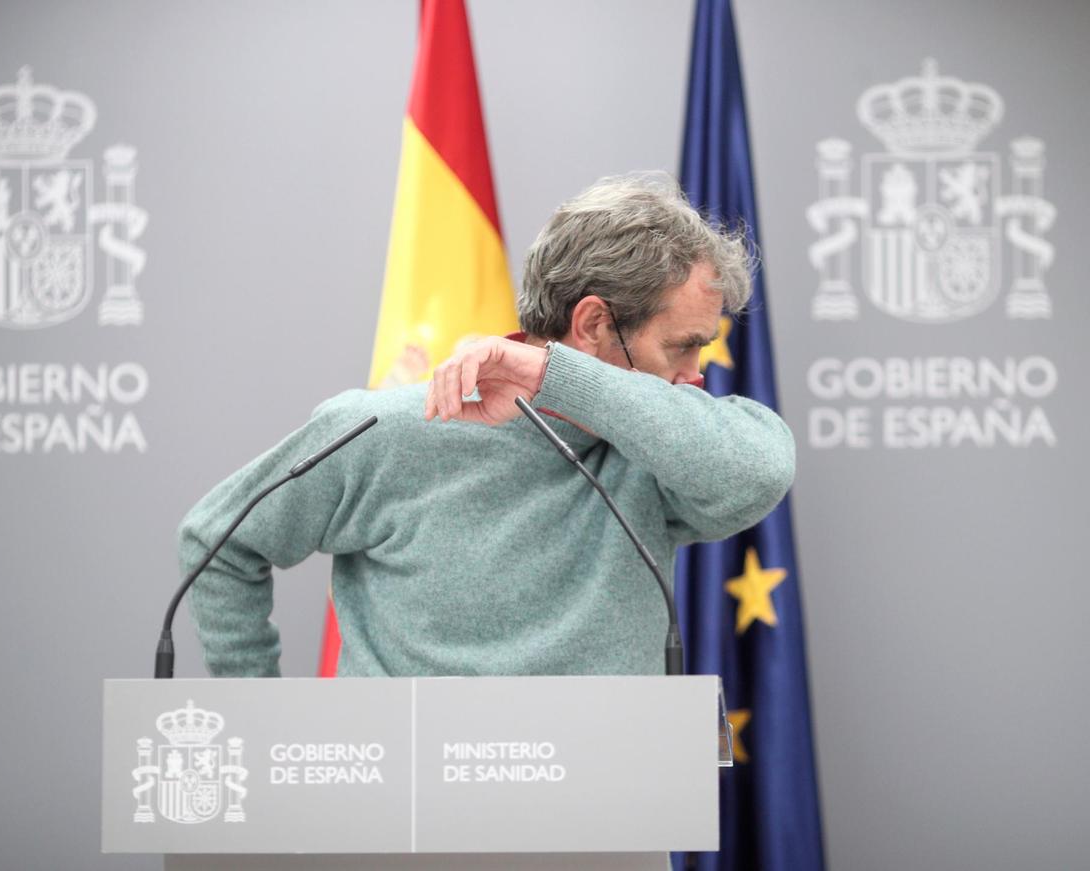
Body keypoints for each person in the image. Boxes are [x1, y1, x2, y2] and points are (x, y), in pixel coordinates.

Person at [178, 172, 795, 678]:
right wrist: (259, 721)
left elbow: (759, 471)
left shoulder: (656, 447)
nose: (696, 375)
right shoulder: (381, 429)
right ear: (595, 325)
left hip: (598, 813)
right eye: (682, 346)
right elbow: (219, 541)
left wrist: (562, 379)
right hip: (404, 812)